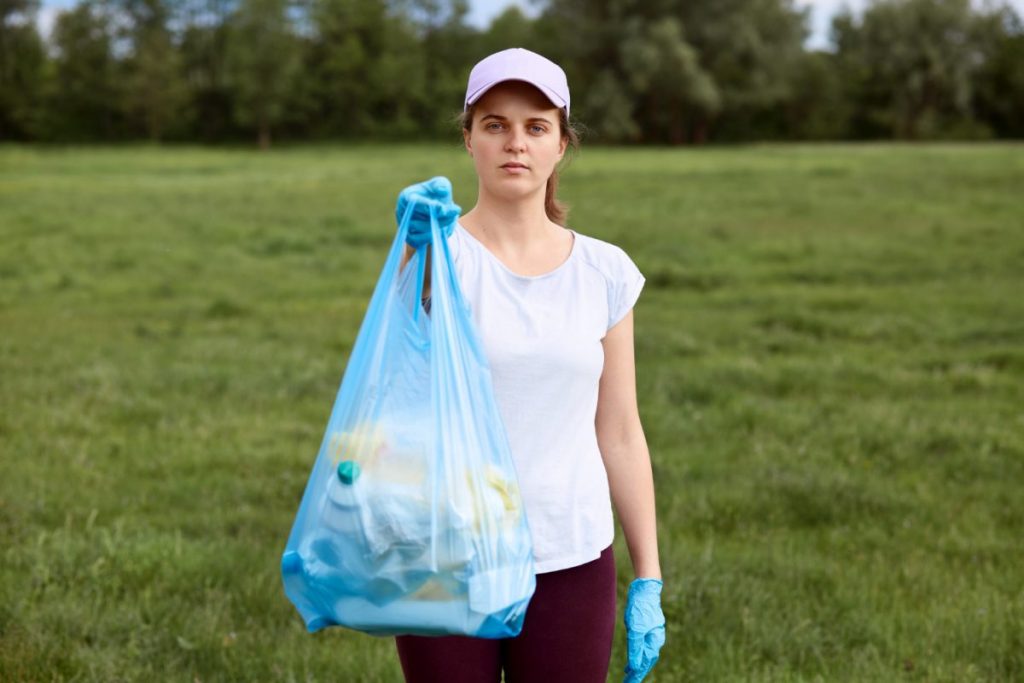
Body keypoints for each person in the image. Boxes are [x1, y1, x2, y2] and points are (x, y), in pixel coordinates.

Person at [392, 48, 665, 683]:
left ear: (561, 145)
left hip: (572, 557)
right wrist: (412, 259)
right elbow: (393, 390)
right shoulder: (436, 255)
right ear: (469, 139)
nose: (516, 142)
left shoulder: (605, 272)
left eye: (536, 126)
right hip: (446, 554)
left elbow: (620, 430)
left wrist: (648, 576)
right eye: (496, 124)